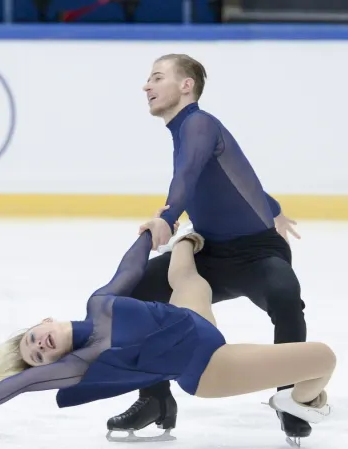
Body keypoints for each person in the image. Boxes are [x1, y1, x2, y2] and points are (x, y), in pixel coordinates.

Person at [0, 227, 335, 447]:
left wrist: (152, 229)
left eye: (33, 339)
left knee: (189, 274)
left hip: (193, 321)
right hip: (209, 367)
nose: (39, 349)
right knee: (323, 359)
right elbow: (19, 383)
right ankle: (297, 400)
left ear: (42, 321)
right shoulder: (79, 362)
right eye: (39, 357)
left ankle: (186, 236)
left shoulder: (100, 304)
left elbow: (130, 270)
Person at [105, 53, 311, 443]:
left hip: (257, 255)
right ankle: (156, 399)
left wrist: (167, 217)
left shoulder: (199, 123)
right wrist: (275, 207)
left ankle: (291, 397)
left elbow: (188, 174)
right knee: (134, 295)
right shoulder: (185, 132)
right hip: (210, 255)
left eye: (156, 77)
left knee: (285, 298)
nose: (146, 86)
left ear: (186, 85)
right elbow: (229, 176)